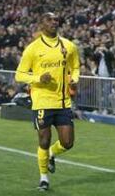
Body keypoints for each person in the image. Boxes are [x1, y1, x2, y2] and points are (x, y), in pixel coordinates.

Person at [15, 13, 80, 191]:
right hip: (42, 101)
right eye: (49, 20)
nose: (54, 22)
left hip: (63, 101)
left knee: (68, 142)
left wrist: (74, 78)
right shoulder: (33, 48)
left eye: (56, 20)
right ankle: (44, 178)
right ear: (42, 23)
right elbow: (19, 74)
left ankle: (51, 154)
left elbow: (75, 66)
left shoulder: (69, 46)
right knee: (44, 140)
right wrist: (38, 78)